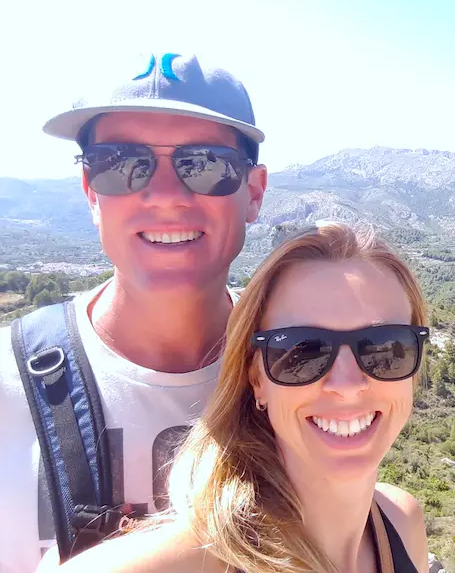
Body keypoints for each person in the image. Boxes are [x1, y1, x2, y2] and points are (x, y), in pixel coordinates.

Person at [0, 53, 268, 572]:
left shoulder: (311, 374)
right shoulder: (8, 388)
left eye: (205, 164)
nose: (165, 196)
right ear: (90, 193)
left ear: (253, 193)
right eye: (120, 164)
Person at [47, 222, 429, 573]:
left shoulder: (399, 521)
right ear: (256, 380)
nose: (346, 384)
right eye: (302, 352)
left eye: (384, 347)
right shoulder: (186, 561)